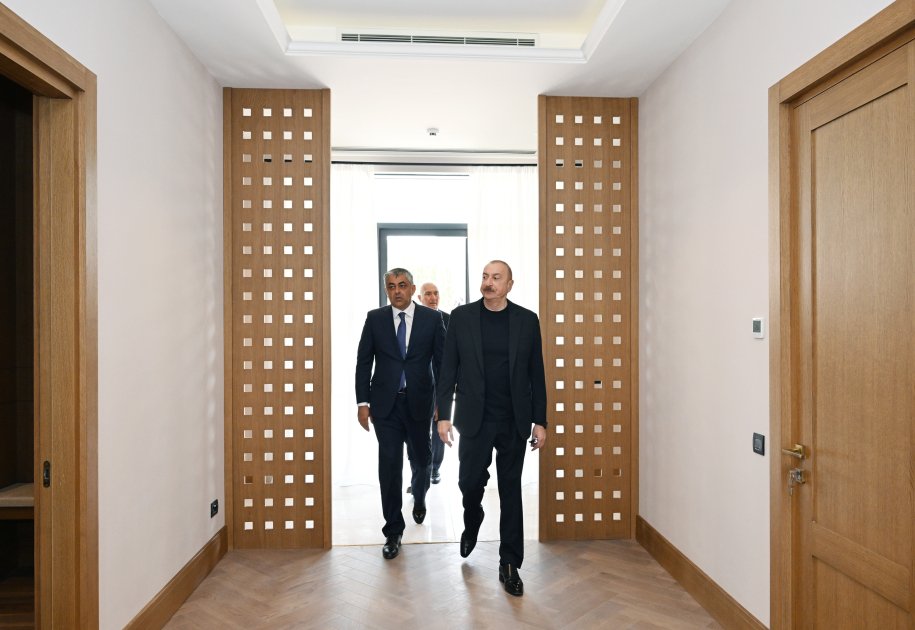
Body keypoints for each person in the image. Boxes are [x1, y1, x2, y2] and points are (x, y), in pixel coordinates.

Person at [436, 260, 547, 597]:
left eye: (496, 278)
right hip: (474, 418)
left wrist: (540, 420)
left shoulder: (527, 320)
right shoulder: (462, 318)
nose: (489, 282)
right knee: (469, 482)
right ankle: (473, 518)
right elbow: (448, 368)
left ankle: (509, 563)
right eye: (485, 276)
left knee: (511, 490)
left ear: (509, 284)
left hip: (513, 418)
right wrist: (443, 415)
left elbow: (536, 373)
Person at [356, 268, 446, 560]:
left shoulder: (431, 319)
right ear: (386, 290)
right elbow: (363, 362)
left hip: (420, 402)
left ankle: (419, 496)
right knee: (390, 465)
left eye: (402, 285)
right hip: (385, 405)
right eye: (391, 286)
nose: (397, 291)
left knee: (421, 459)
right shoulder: (375, 319)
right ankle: (393, 530)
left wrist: (442, 404)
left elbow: (442, 364)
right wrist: (362, 403)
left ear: (412, 288)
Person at [419, 282, 449, 484]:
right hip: (419, 384)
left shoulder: (450, 319)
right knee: (418, 430)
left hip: (442, 383)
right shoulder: (414, 320)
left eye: (436, 293)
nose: (433, 297)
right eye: (428, 294)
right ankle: (420, 470)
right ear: (420, 298)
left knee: (439, 427)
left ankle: (435, 468)